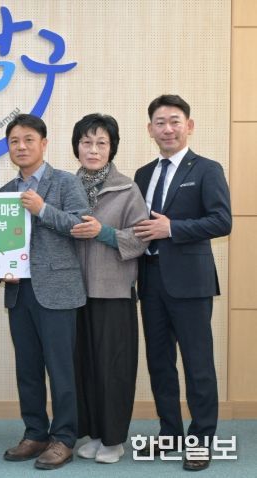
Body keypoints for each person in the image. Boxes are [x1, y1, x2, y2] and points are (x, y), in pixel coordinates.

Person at [133, 95, 231, 472]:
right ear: (150, 129)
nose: (167, 129)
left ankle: (201, 439)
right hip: (150, 281)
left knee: (197, 364)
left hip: (191, 283)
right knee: (160, 363)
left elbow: (222, 221)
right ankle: (169, 433)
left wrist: (172, 228)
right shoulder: (143, 174)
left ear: (189, 125)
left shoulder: (207, 169)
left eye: (175, 121)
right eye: (160, 122)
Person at [0, 114, 88, 470]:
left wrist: (43, 209)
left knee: (61, 368)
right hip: (18, 292)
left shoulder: (66, 182)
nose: (21, 147)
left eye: (28, 140)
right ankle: (35, 432)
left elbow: (81, 225)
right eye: (14, 141)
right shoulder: (5, 191)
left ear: (44, 144)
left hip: (58, 289)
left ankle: (64, 438)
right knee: (28, 368)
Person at [69, 114, 148, 463]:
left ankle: (115, 440)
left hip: (114, 292)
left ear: (112, 148)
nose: (93, 150)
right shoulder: (65, 187)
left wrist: (103, 233)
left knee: (114, 367)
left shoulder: (127, 189)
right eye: (86, 142)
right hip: (73, 293)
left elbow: (141, 238)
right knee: (84, 367)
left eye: (101, 143)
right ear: (77, 147)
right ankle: (96, 434)